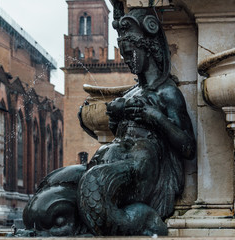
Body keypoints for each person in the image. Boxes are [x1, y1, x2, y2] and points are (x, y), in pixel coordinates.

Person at [22, 5, 195, 237]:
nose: (128, 61)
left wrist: (153, 116)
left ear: (149, 48)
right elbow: (119, 132)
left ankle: (142, 219)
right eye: (124, 55)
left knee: (93, 181)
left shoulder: (167, 92)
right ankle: (60, 227)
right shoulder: (131, 93)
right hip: (111, 162)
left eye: (132, 53)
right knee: (52, 185)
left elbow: (188, 146)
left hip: (139, 170)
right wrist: (115, 118)